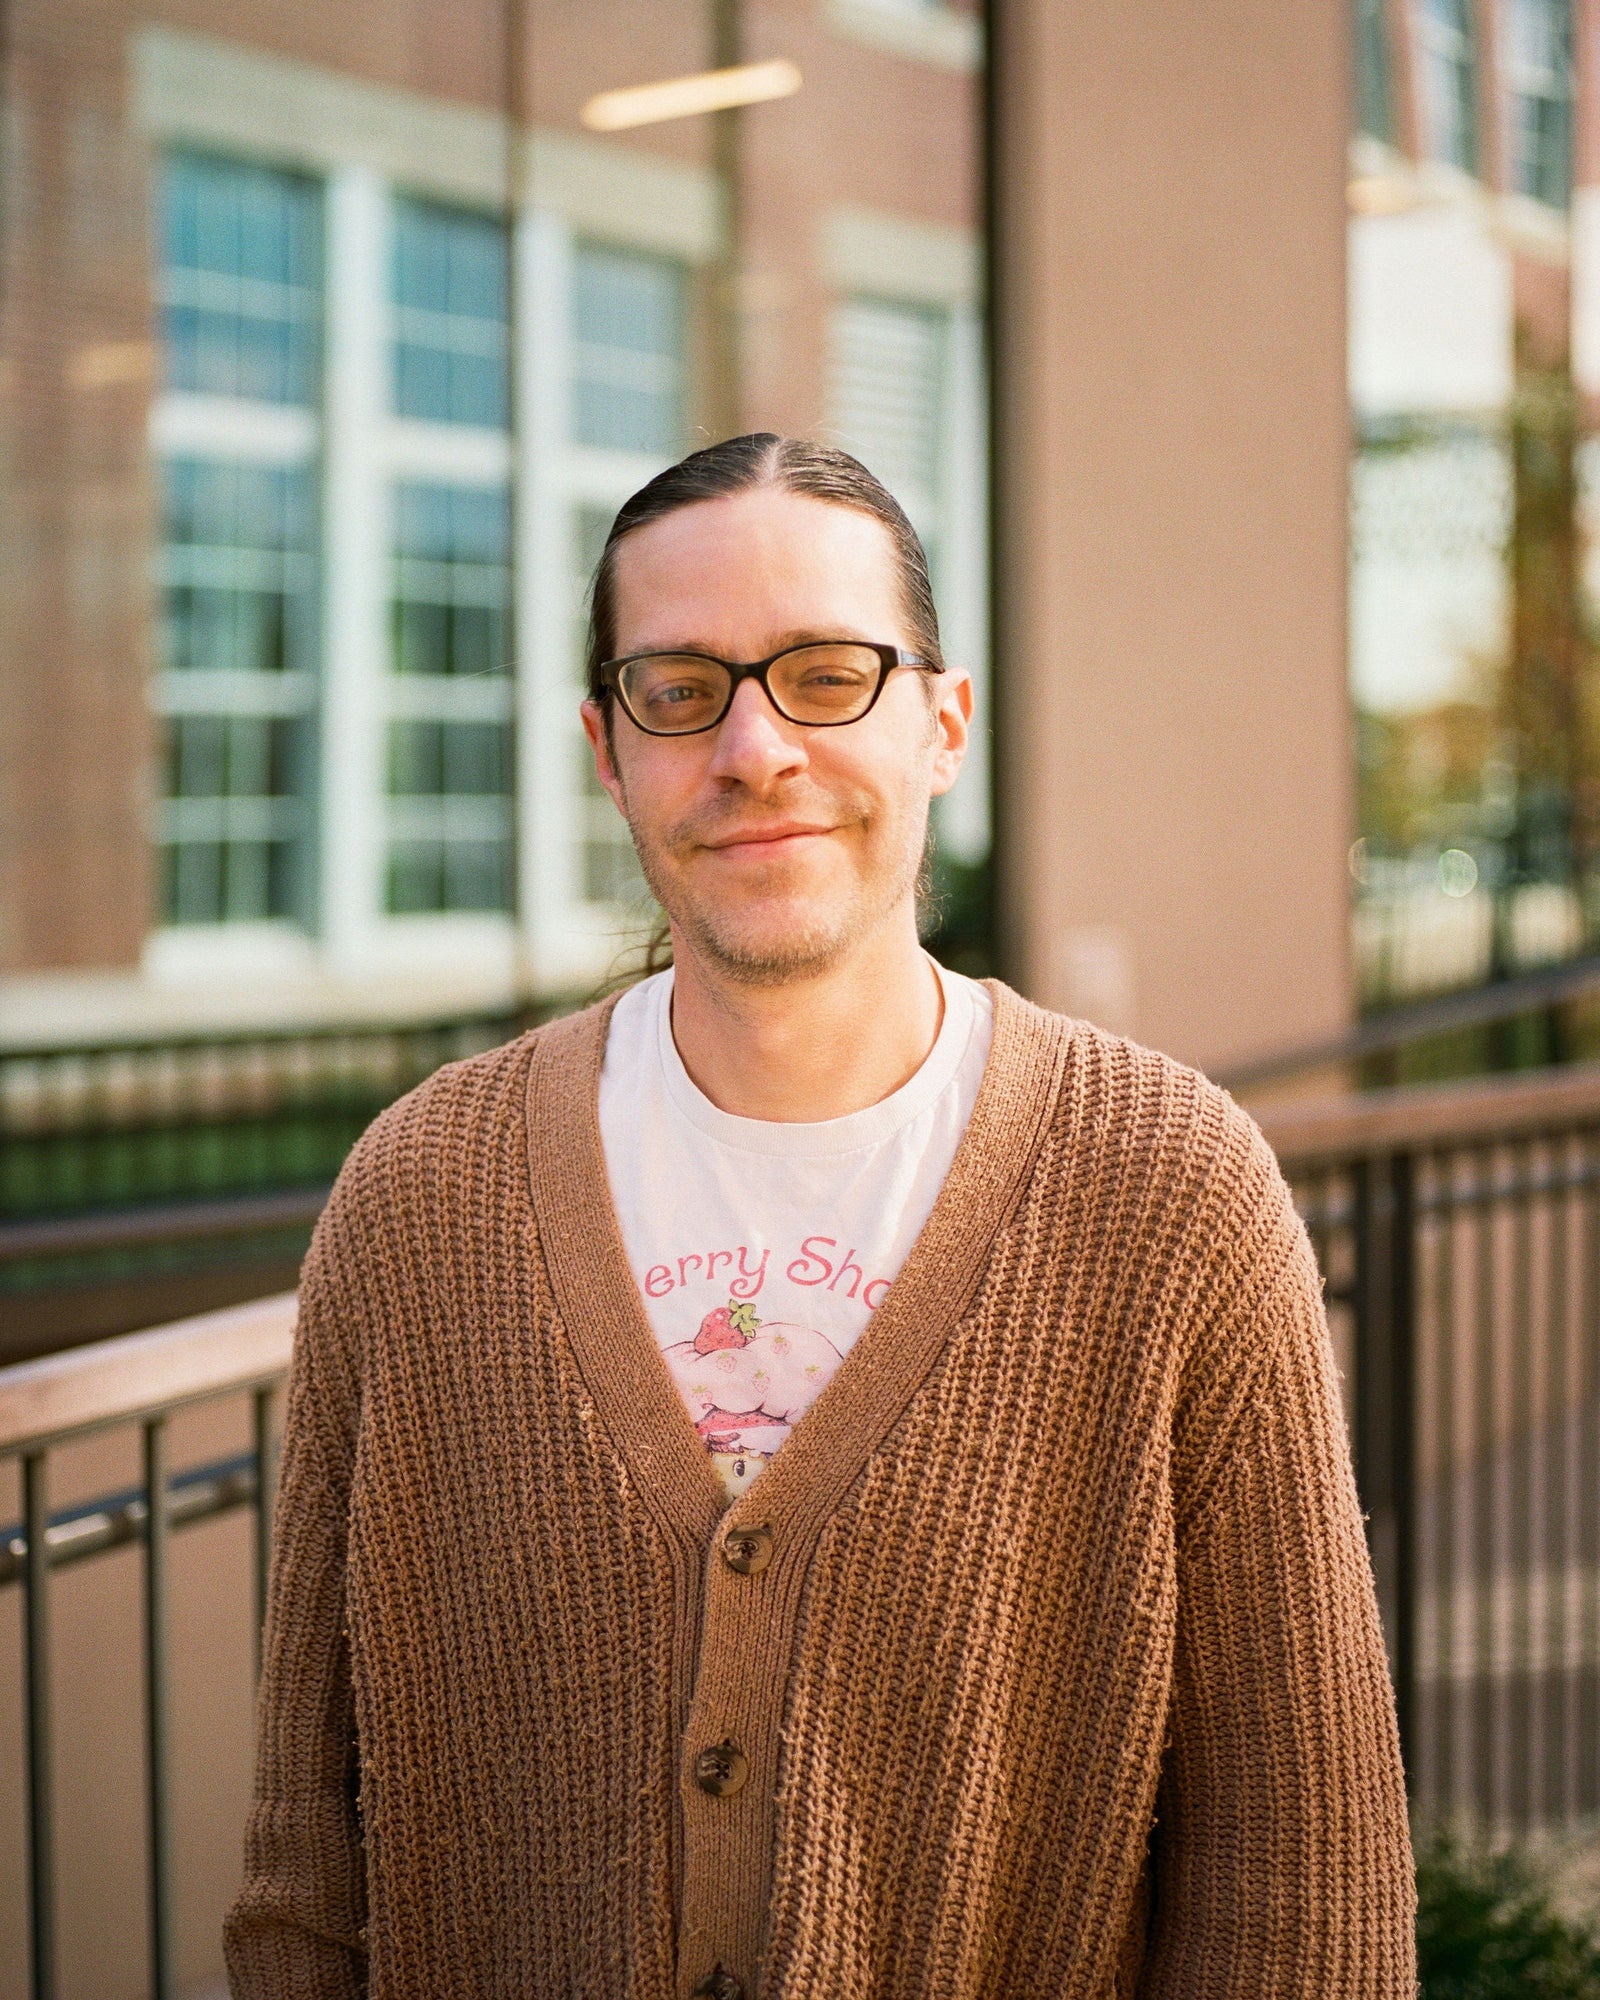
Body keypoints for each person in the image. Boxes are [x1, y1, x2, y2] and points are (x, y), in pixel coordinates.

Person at [225, 434, 1414, 1999]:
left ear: (944, 722)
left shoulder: (1174, 1198)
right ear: (608, 746)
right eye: (680, 688)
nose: (754, 747)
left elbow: (1303, 1888)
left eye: (826, 673)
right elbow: (308, 1871)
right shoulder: (420, 1203)